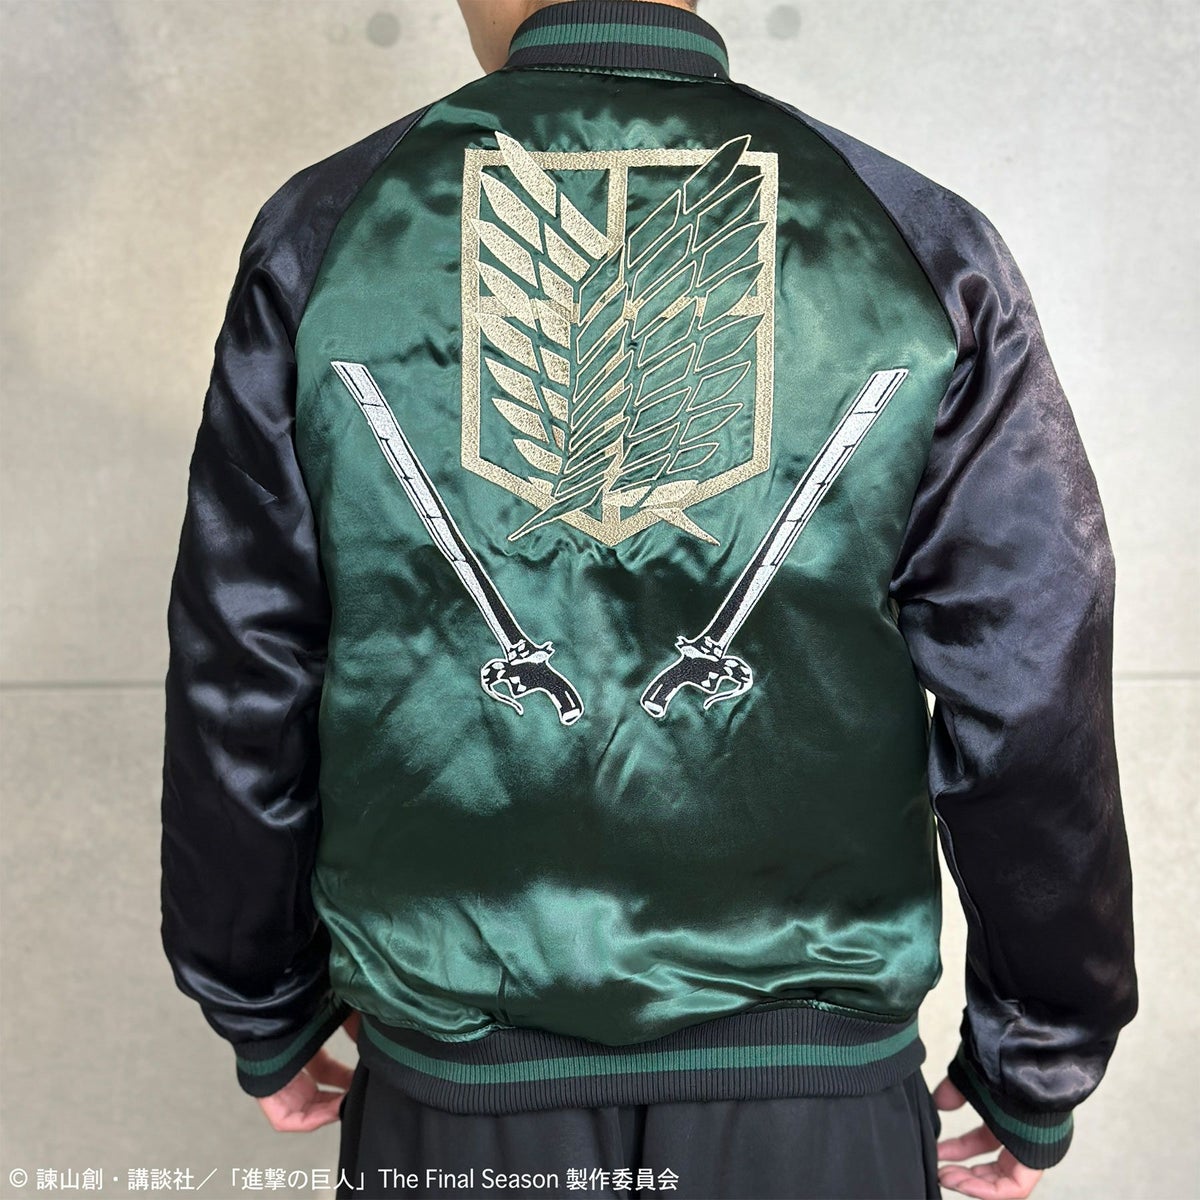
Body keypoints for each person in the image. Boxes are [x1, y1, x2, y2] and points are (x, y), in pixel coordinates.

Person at [158, 1, 1138, 1197]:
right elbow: (1029, 675)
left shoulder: (329, 234)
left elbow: (242, 663)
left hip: (457, 1088)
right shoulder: (912, 245)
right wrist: (1039, 1043)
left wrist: (260, 993)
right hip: (811, 1101)